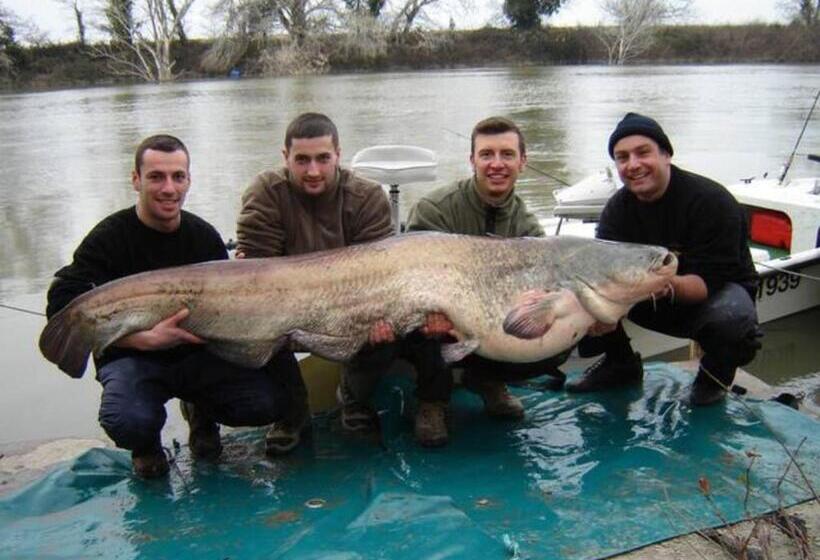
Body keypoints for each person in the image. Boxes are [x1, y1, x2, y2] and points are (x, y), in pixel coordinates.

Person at [45, 134, 299, 479]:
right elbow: (62, 300)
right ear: (136, 179)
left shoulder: (203, 236)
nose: (169, 188)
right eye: (156, 177)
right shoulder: (108, 238)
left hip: (199, 356)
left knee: (266, 403)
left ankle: (202, 416)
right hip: (133, 360)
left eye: (178, 177)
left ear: (189, 180)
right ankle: (146, 445)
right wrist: (140, 339)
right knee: (127, 420)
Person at [236, 112, 420, 452]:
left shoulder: (367, 196)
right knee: (256, 321)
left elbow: (377, 276)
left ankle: (354, 398)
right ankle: (292, 414)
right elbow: (257, 277)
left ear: (338, 154)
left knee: (388, 328)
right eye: (302, 160)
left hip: (351, 306)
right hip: (282, 304)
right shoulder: (265, 192)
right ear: (285, 157)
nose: (313, 171)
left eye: (323, 158)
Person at [565, 112, 761, 405]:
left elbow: (709, 283)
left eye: (643, 153)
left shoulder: (712, 202)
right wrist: (600, 310)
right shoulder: (617, 211)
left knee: (732, 321)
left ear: (666, 155)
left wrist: (664, 284)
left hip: (711, 296)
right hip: (644, 295)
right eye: (622, 157)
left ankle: (713, 378)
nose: (633, 164)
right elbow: (598, 271)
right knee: (580, 290)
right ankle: (620, 363)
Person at [402, 116, 567, 446]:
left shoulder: (529, 228)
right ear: (472, 160)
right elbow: (410, 277)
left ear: (522, 161)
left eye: (507, 154)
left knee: (556, 338)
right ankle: (432, 400)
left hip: (491, 320)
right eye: (487, 154)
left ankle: (487, 380)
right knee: (418, 323)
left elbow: (540, 291)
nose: (497, 164)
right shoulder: (435, 209)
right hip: (434, 311)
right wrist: (433, 313)